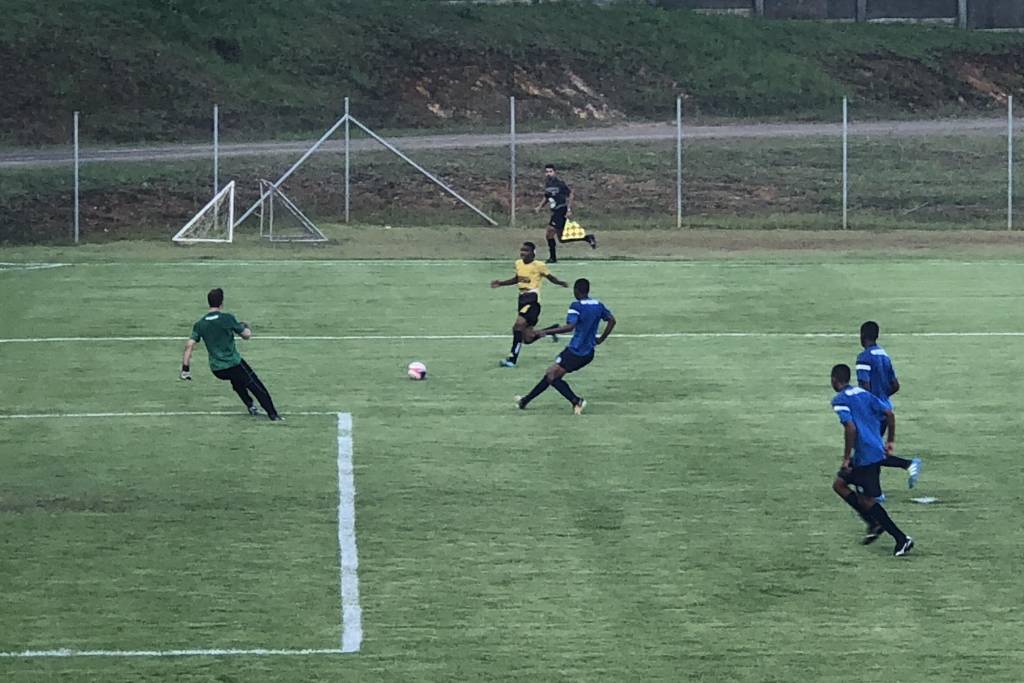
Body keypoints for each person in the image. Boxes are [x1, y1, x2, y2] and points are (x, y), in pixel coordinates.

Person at [829, 364, 914, 556]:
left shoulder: (839, 400)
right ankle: (873, 523)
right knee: (839, 484)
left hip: (866, 456)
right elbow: (889, 414)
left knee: (867, 501)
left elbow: (850, 428)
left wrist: (846, 459)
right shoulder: (863, 393)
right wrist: (890, 441)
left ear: (834, 380)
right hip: (872, 451)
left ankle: (901, 538)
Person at [180, 287, 282, 421]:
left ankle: (250, 405)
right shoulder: (227, 318)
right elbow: (246, 335)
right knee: (255, 385)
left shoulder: (200, 324)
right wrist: (245, 327)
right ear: (221, 303)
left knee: (237, 381)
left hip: (217, 369)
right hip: (233, 363)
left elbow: (189, 345)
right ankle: (273, 414)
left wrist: (185, 369)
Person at [516, 278, 615, 414]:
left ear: (576, 291)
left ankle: (576, 401)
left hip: (576, 351)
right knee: (552, 374)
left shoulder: (576, 306)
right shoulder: (598, 305)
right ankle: (525, 401)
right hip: (588, 353)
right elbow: (612, 320)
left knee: (552, 375)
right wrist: (601, 339)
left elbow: (570, 327)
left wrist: (546, 332)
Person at [856, 320, 922, 493]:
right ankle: (875, 491)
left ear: (862, 336)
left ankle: (908, 464)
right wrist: (882, 398)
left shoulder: (864, 358)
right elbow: (895, 385)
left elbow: (864, 388)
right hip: (885, 409)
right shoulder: (884, 355)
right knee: (871, 451)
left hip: (873, 414)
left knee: (868, 452)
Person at [491, 241, 568, 368]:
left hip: (532, 300)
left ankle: (512, 359)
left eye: (526, 250)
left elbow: (550, 277)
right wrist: (501, 283)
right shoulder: (518, 263)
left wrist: (560, 283)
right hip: (521, 300)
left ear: (533, 253)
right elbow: (517, 279)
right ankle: (552, 330)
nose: (523, 253)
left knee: (517, 326)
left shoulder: (539, 265)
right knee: (527, 339)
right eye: (522, 250)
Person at [535, 163, 596, 263]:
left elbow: (570, 194)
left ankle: (553, 258)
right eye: (546, 172)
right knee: (562, 239)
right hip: (555, 211)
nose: (548, 174)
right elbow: (547, 197)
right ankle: (587, 238)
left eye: (550, 171)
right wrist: (540, 207)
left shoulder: (560, 184)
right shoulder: (548, 184)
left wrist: (569, 209)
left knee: (549, 233)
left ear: (555, 172)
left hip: (560, 210)